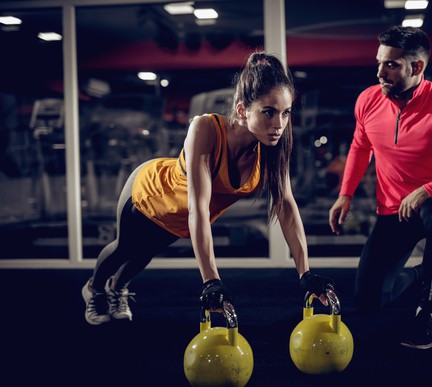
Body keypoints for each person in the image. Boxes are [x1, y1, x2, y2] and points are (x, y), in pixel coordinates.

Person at [82, 52, 335, 325]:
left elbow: (285, 205)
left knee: (144, 252)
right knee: (125, 248)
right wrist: (210, 280)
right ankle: (94, 289)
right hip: (149, 193)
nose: (279, 124)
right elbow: (199, 208)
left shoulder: (273, 145)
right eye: (268, 112)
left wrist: (305, 273)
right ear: (242, 110)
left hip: (179, 218)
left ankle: (117, 289)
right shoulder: (206, 128)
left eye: (286, 113)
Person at [328, 26, 432, 349]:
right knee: (369, 302)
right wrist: (345, 193)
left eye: (390, 64)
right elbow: (360, 147)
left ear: (417, 67)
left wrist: (427, 190)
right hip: (393, 211)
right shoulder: (368, 100)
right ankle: (424, 272)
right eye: (379, 62)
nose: (380, 72)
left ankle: (428, 315)